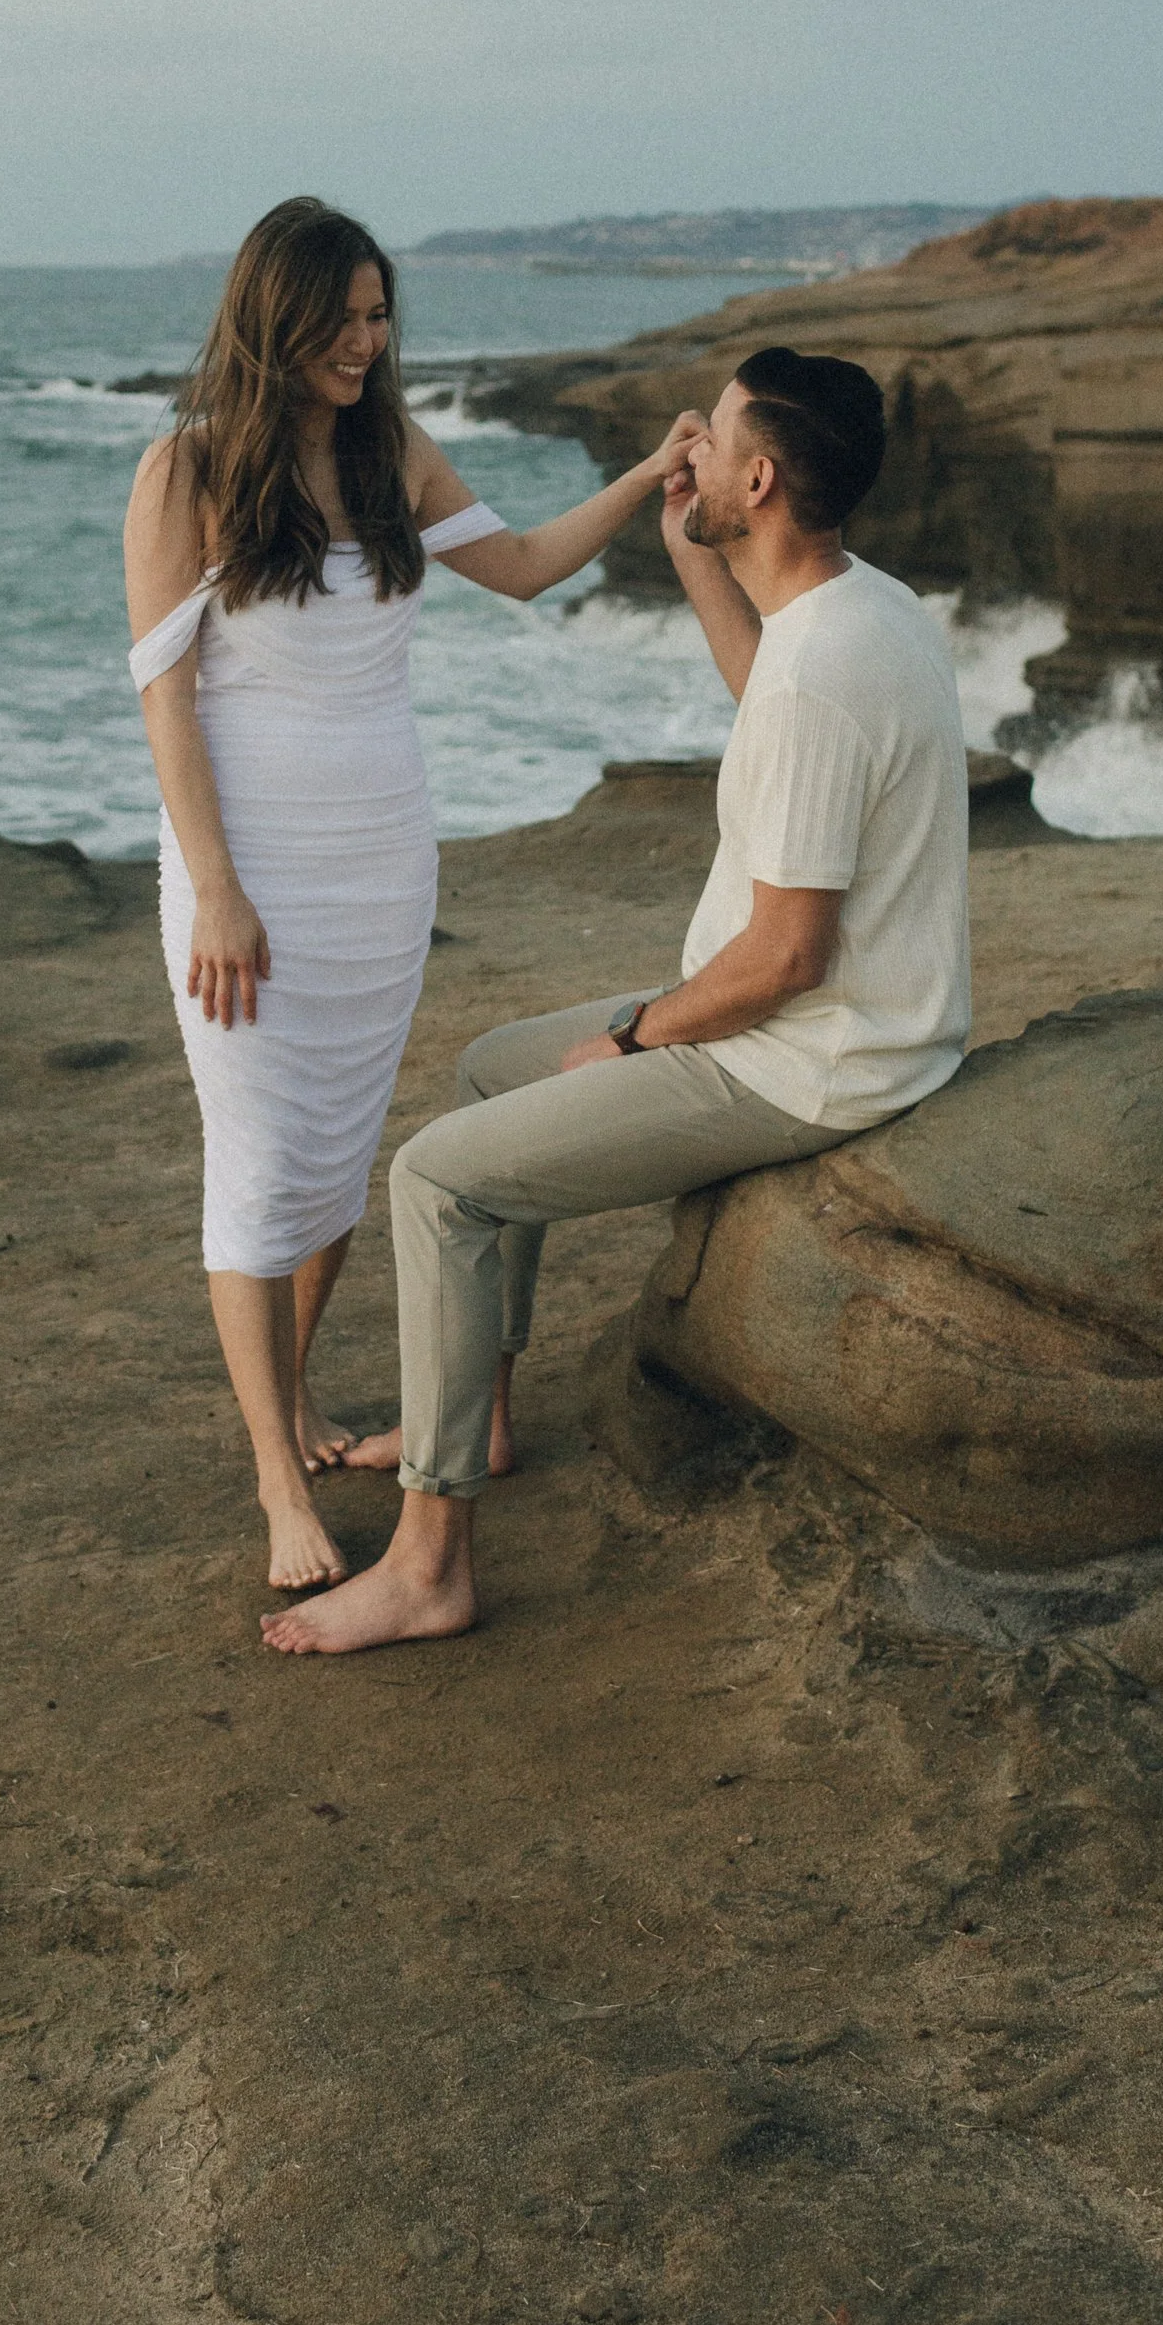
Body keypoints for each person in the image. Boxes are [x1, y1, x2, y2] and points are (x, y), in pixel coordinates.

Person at [262, 345, 971, 1657]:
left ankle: (431, 1563)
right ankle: (476, 1415)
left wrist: (634, 1034)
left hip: (804, 1055)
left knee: (435, 1179)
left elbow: (786, 959)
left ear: (759, 476)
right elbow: (772, 707)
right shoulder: (862, 610)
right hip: (818, 1018)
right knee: (489, 1068)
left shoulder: (826, 671)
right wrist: (694, 553)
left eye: (716, 437)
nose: (684, 446)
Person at [124, 196, 700, 1594]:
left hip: (383, 866)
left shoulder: (391, 451)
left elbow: (519, 567)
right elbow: (166, 702)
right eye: (346, 318)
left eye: (383, 317)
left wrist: (639, 484)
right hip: (250, 870)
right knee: (258, 1159)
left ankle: (301, 1397)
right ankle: (278, 1475)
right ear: (279, 317)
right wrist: (215, 887)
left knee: (329, 1167)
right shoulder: (182, 471)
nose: (370, 343)